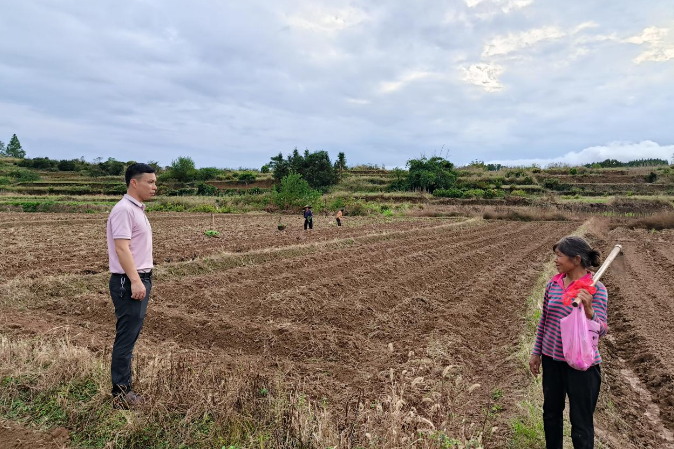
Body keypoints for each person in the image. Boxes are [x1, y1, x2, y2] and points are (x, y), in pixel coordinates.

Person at [529, 236, 608, 449]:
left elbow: (601, 330)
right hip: (552, 361)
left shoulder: (595, 289)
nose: (555, 260)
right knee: (551, 414)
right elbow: (544, 321)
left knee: (581, 423)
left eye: (559, 256)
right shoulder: (553, 285)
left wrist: (589, 311)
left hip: (582, 366)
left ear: (576, 259)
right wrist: (536, 353)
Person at [106, 163, 157, 409]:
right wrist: (136, 280)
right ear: (134, 183)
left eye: (155, 182)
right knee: (126, 338)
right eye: (150, 182)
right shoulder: (124, 210)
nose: (154, 187)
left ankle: (124, 388)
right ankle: (121, 394)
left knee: (130, 335)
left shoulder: (137, 210)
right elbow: (121, 248)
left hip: (137, 278)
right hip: (129, 280)